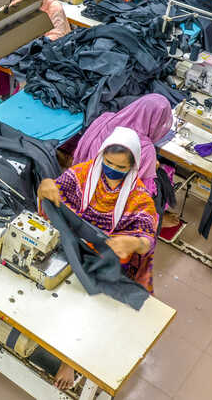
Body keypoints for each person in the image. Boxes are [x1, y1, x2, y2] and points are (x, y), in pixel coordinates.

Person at [38, 126, 158, 393]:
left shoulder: (138, 197)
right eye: (108, 162)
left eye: (121, 167)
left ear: (133, 167)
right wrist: (46, 186)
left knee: (88, 305)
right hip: (73, 247)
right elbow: (54, 191)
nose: (113, 170)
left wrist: (134, 243)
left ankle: (70, 359)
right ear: (101, 155)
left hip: (107, 261)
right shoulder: (82, 174)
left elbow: (147, 235)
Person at [73, 94, 173, 197]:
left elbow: (82, 148)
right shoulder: (146, 149)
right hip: (109, 200)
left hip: (81, 181)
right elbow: (141, 189)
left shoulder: (104, 119)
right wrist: (153, 167)